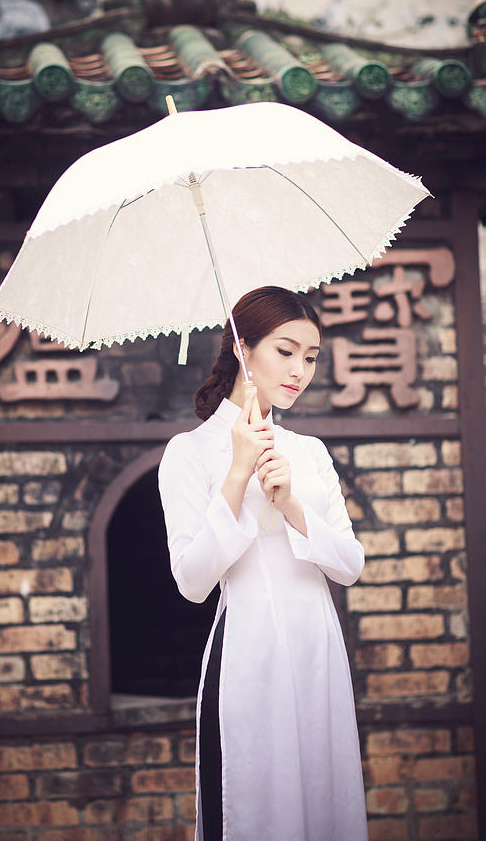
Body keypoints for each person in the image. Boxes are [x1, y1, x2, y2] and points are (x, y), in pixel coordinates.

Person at [158, 286, 368, 841]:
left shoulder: (310, 452)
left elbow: (349, 564)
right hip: (247, 658)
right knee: (255, 812)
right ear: (242, 348)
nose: (300, 369)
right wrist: (237, 475)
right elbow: (192, 582)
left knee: (325, 808)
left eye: (311, 356)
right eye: (285, 351)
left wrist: (291, 505)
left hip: (317, 651)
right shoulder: (189, 453)